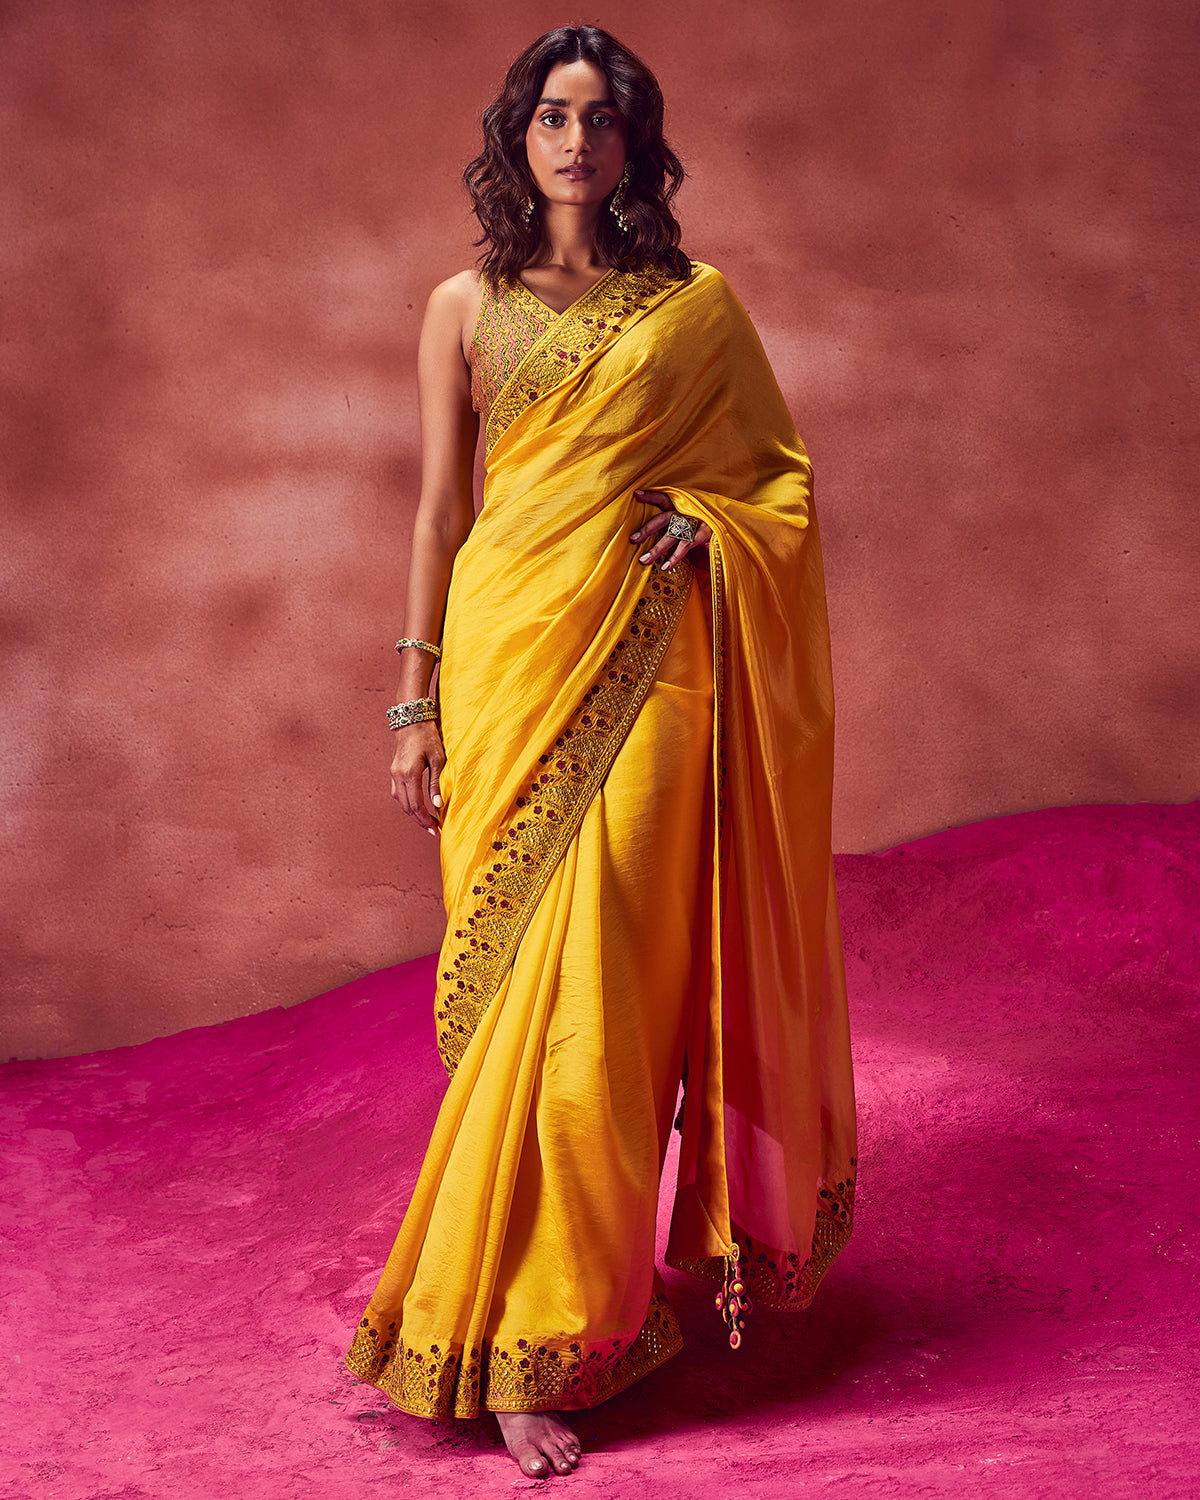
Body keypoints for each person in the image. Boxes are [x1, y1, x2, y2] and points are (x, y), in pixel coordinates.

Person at [345, 25, 857, 1480]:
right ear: (517, 136)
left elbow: (776, 486)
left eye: (604, 119)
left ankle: (556, 1325)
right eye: (554, 116)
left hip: (648, 674)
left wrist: (707, 522)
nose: (577, 141)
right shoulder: (462, 306)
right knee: (518, 999)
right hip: (506, 663)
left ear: (638, 144)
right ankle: (513, 1318)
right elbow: (443, 512)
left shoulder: (693, 307)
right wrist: (414, 699)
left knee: (607, 1003)